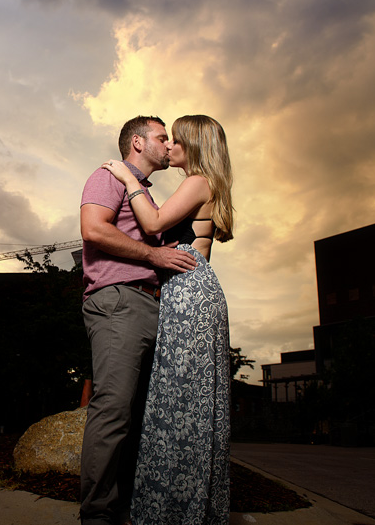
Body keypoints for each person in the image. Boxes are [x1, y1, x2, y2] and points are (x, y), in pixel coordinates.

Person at [102, 115, 234, 525]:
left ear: (192, 145)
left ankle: (174, 511)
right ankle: (180, 507)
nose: (170, 146)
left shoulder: (198, 181)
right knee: (186, 404)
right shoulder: (202, 184)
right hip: (192, 291)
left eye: (176, 140)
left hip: (189, 294)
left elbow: (154, 222)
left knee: (181, 404)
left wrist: (128, 180)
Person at [80, 115, 198, 525]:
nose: (168, 145)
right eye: (162, 138)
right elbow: (94, 230)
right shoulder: (107, 176)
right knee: (113, 409)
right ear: (137, 142)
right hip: (118, 302)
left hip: (152, 306)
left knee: (141, 416)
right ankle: (97, 516)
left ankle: (126, 509)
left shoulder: (145, 194)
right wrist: (153, 255)